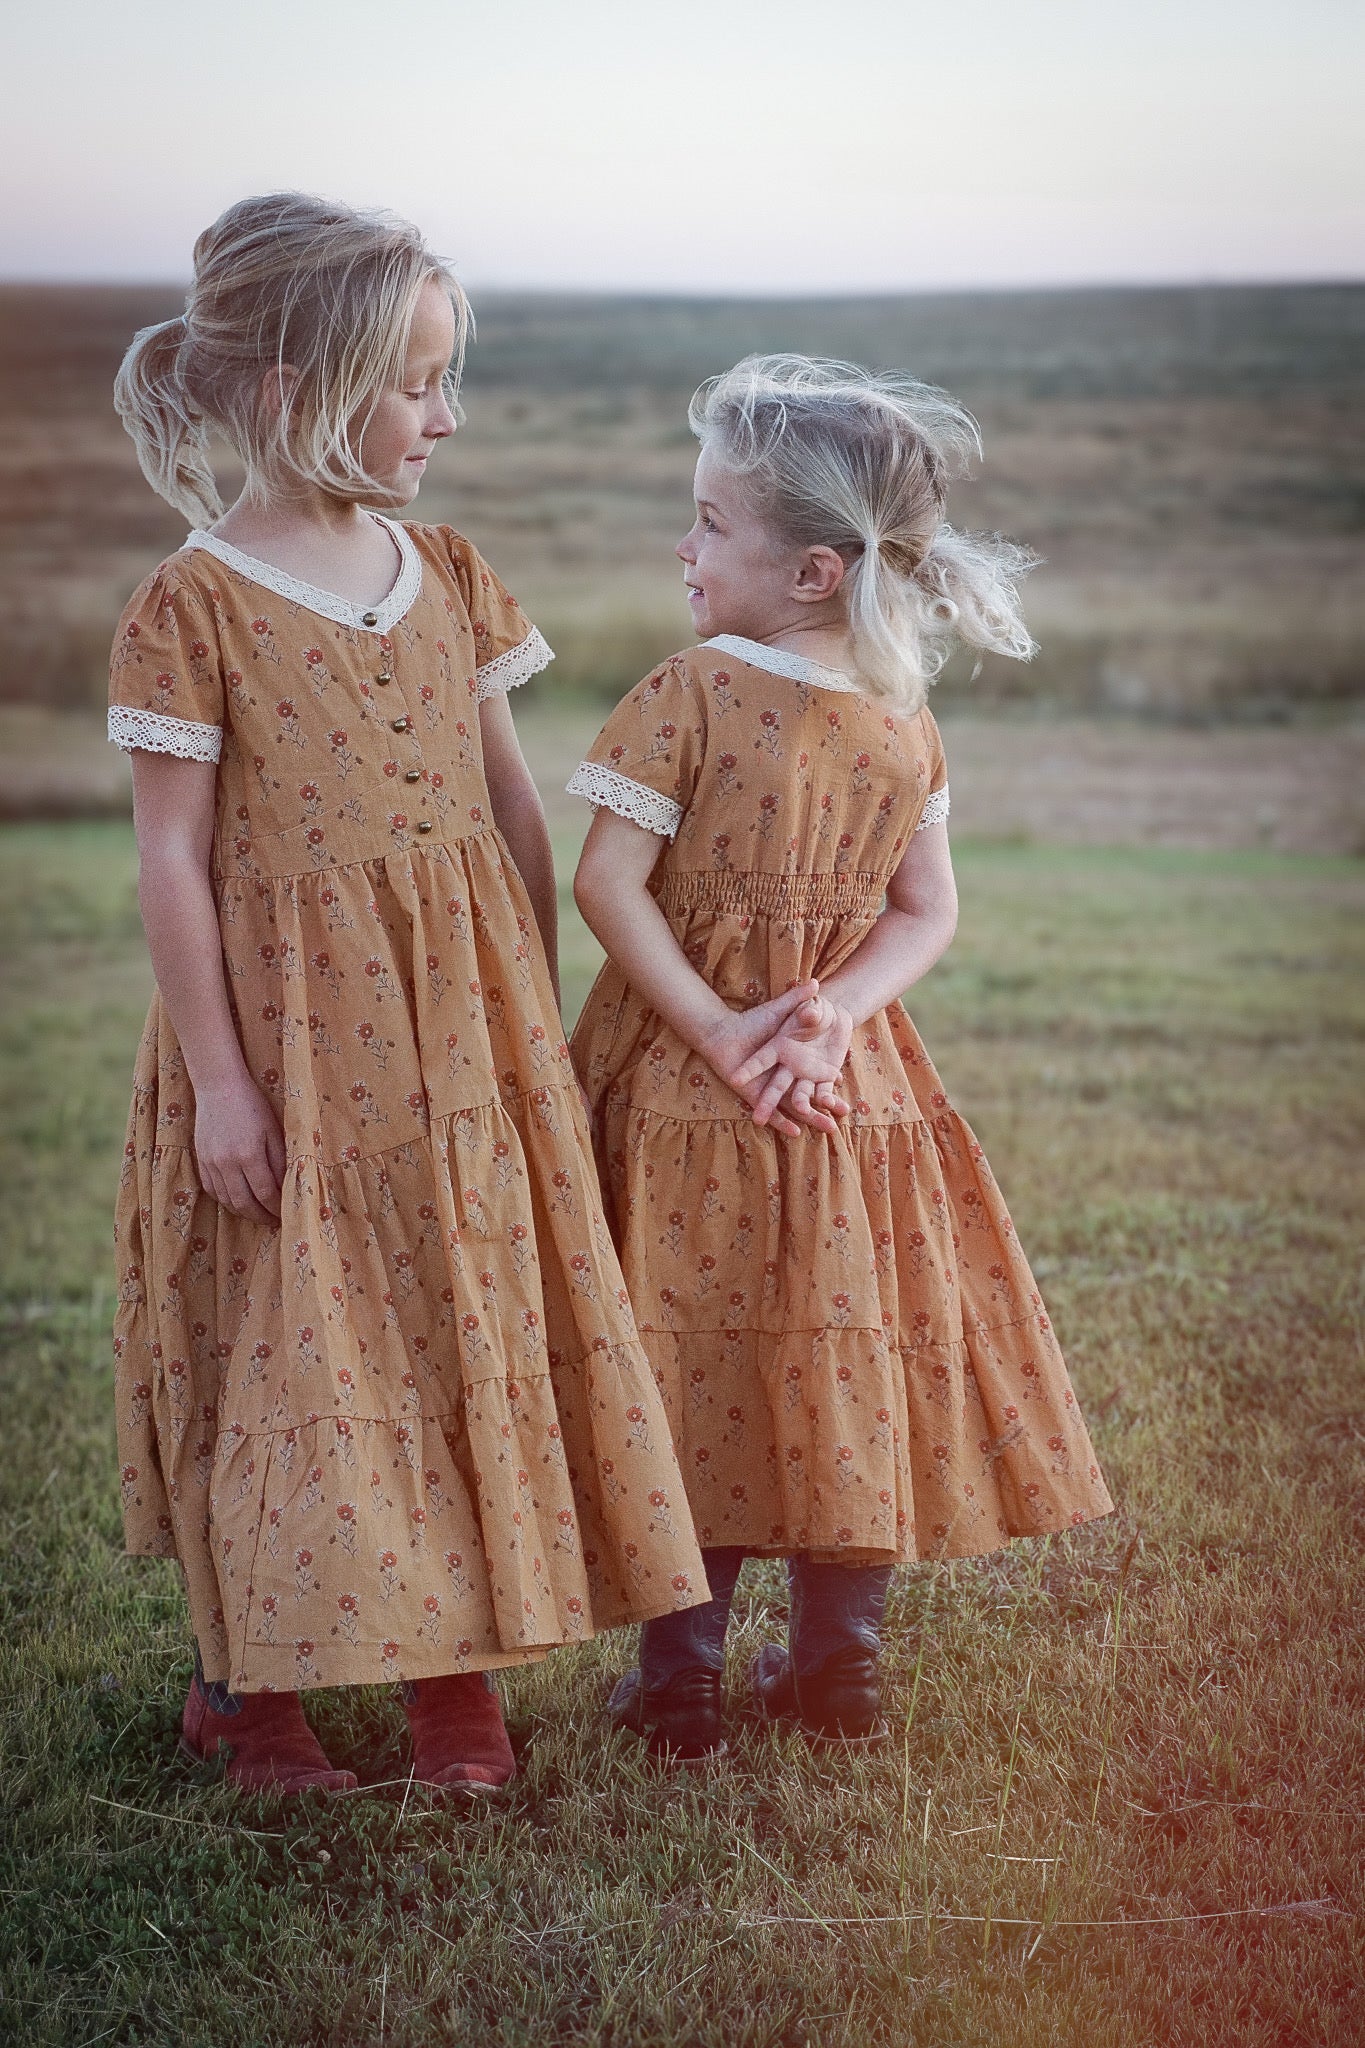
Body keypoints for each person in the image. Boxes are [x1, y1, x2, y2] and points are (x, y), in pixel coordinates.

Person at [106, 192, 722, 1798]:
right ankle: (255, 1698)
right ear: (286, 386)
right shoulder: (196, 605)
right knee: (285, 1351)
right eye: (415, 381)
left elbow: (508, 801)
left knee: (458, 1330)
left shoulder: (442, 567)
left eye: (449, 380)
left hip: (458, 1040)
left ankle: (460, 1684)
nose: (445, 416)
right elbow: (172, 864)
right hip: (286, 1046)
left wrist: (527, 990)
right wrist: (224, 1085)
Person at [568, 354, 1114, 1762]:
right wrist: (831, 1018)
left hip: (697, 1086)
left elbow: (606, 886)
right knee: (839, 1362)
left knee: (690, 1358)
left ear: (812, 569)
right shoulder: (901, 715)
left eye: (706, 522)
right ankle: (834, 1672)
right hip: (842, 1099)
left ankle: (682, 1680)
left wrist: (734, 1030)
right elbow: (924, 914)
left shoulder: (685, 691)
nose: (680, 546)